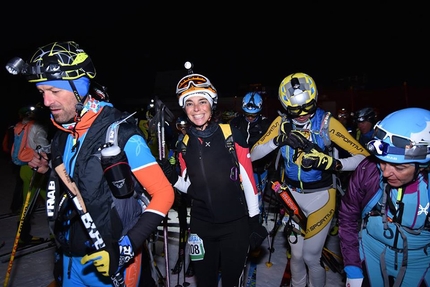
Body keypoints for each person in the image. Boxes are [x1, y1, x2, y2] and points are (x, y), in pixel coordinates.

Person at [5, 40, 175, 287]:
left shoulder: (120, 132)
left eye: (54, 91)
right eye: (42, 92)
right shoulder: (63, 133)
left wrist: (126, 247)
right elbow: (78, 183)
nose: (47, 101)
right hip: (69, 257)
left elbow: (163, 193)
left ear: (79, 86)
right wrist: (49, 169)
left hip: (111, 261)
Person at [250, 72, 370, 287]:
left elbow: (364, 158)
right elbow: (254, 154)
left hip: (321, 198)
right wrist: (278, 140)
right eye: (294, 110)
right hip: (291, 197)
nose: (302, 114)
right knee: (295, 256)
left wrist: (333, 164)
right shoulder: (282, 122)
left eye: (308, 107)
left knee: (310, 257)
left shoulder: (326, 123)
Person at [162, 68, 266, 287]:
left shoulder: (231, 134)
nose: (196, 109)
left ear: (212, 105)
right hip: (201, 227)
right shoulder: (183, 144)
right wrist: (172, 179)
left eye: (202, 101)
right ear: (184, 108)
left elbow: (248, 181)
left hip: (235, 226)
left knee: (231, 283)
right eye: (190, 103)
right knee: (205, 283)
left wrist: (254, 220)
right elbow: (189, 187)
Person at [338, 107, 430, 287]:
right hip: (370, 252)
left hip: (420, 262)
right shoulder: (368, 170)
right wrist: (352, 267)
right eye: (382, 161)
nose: (386, 172)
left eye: (400, 168)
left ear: (424, 165)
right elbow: (347, 217)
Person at [230, 91, 274, 223]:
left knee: (256, 201)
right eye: (247, 114)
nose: (250, 117)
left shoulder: (266, 125)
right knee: (238, 200)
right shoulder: (236, 122)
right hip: (238, 168)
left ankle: (256, 225)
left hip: (258, 170)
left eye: (253, 115)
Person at [10, 104, 50, 245]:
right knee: (52, 200)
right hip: (37, 167)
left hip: (24, 167)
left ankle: (22, 235)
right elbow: (43, 146)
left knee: (27, 203)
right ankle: (57, 234)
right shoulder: (37, 127)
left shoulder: (19, 127)